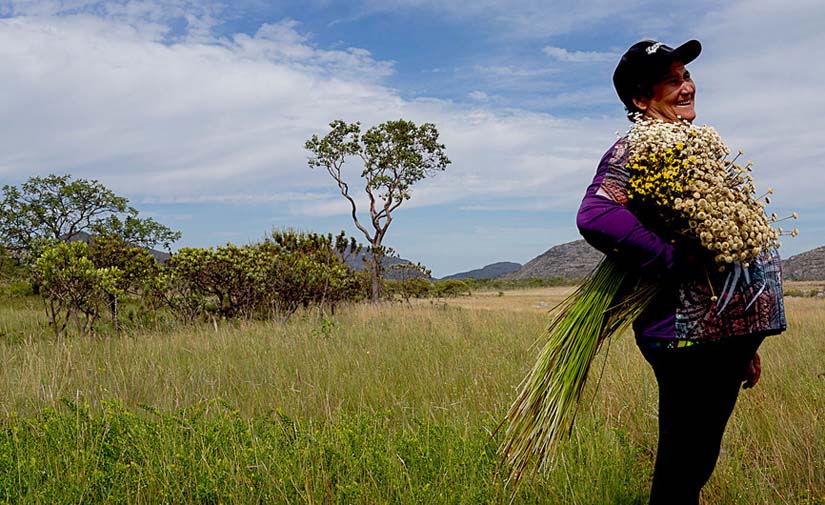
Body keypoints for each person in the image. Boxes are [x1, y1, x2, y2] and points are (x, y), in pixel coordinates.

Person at [576, 40, 786, 505]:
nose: (687, 85)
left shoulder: (685, 144)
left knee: (695, 460)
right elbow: (595, 214)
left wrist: (744, 344)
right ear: (640, 99)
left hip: (719, 341)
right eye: (672, 80)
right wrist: (672, 260)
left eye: (686, 75)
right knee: (683, 466)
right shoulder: (638, 147)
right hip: (686, 337)